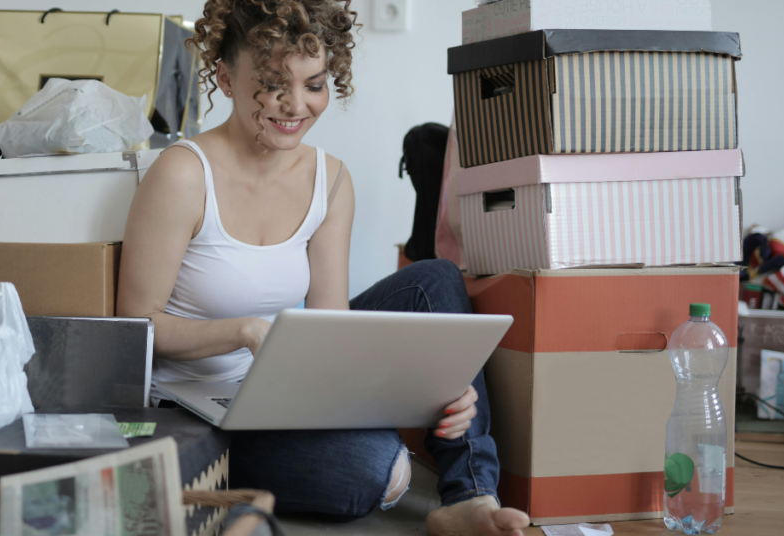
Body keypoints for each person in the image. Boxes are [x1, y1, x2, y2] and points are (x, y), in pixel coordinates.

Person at [117, 1, 530, 535]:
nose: (295, 105)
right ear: (225, 77)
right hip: (199, 410)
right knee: (379, 471)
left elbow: (332, 331)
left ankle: (470, 496)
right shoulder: (182, 174)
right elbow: (137, 324)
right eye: (272, 83)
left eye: (313, 84)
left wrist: (434, 386)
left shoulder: (330, 179)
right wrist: (242, 332)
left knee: (436, 281)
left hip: (284, 387)